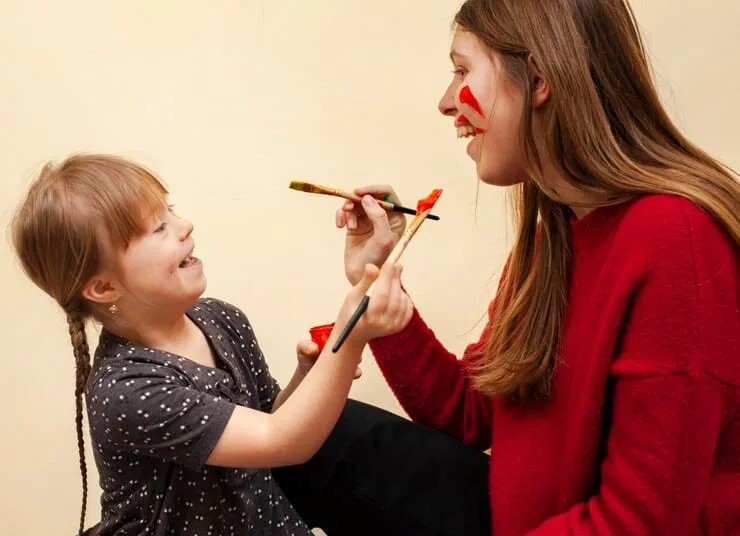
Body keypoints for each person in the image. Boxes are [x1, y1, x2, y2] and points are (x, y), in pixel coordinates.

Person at [334, 0, 740, 534]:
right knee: (327, 441)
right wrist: (379, 277)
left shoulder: (673, 239)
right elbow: (469, 413)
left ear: (540, 79)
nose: (444, 102)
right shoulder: (555, 240)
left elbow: (640, 521)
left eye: (461, 71)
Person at [11, 153, 417, 536]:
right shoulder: (127, 389)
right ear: (104, 287)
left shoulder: (221, 318)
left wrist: (306, 378)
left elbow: (265, 422)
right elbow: (281, 441)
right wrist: (349, 341)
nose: (184, 225)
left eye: (171, 210)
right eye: (158, 228)